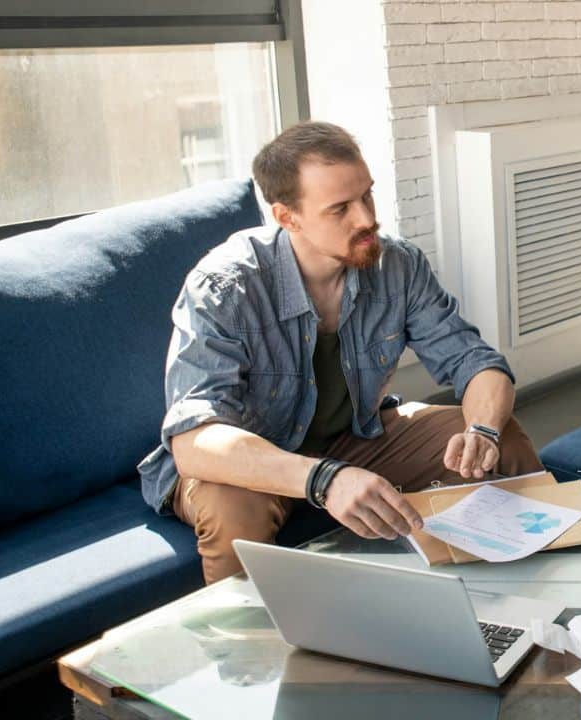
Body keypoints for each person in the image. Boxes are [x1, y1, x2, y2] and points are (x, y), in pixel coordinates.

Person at [138, 121, 542, 583]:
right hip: (252, 463)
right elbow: (195, 442)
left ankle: (534, 595)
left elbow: (475, 362)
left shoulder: (398, 265)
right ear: (287, 217)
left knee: (503, 441)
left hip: (353, 438)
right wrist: (324, 479)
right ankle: (253, 648)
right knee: (235, 511)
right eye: (340, 209)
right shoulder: (225, 287)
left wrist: (484, 430)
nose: (366, 218)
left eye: (367, 196)